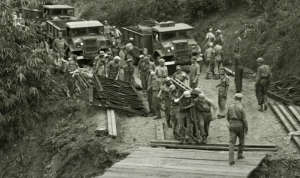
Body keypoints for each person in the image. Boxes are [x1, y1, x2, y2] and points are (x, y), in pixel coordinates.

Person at [227, 93, 248, 165]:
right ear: (240, 99)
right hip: (240, 125)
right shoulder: (241, 107)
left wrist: (231, 123)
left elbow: (228, 117)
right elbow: (245, 119)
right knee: (241, 141)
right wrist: (246, 128)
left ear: (234, 98)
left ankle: (231, 160)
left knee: (231, 142)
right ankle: (239, 155)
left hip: (232, 124)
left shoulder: (230, 106)